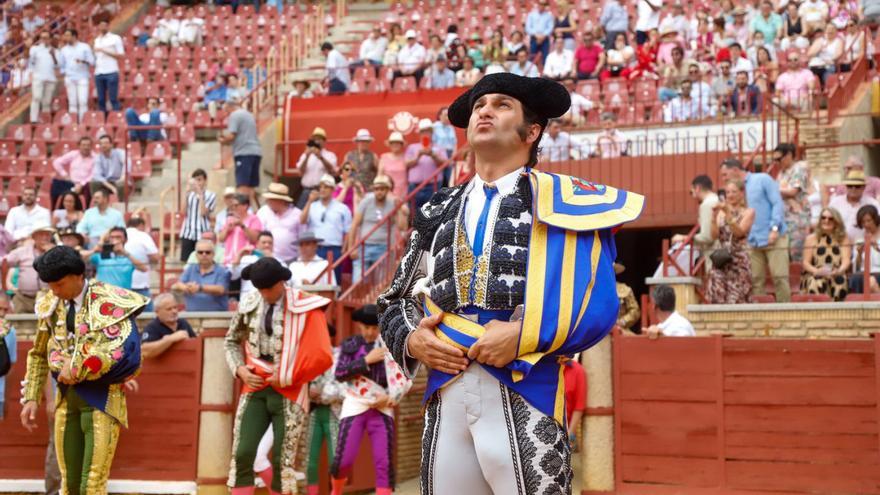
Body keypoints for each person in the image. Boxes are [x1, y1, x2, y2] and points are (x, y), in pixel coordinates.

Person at [378, 73, 644, 493]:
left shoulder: (563, 201)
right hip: (446, 390)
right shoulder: (437, 208)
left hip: (527, 387)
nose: (485, 110)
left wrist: (524, 335)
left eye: (502, 105)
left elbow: (597, 302)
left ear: (532, 131)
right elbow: (394, 301)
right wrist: (413, 340)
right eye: (480, 105)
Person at [20, 246, 147, 494]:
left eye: (59, 284)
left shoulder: (110, 300)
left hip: (102, 398)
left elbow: (124, 350)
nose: (54, 291)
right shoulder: (52, 303)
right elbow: (38, 353)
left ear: (79, 275)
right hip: (66, 400)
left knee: (93, 482)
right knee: (69, 483)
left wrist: (76, 366)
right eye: (50, 286)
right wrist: (31, 397)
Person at [224, 257, 333, 495]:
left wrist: (287, 375)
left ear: (282, 282)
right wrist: (240, 370)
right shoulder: (250, 302)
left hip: (290, 389)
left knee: (282, 462)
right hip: (255, 385)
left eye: (268, 289)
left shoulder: (305, 305)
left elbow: (321, 354)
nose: (264, 294)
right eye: (259, 289)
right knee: (242, 454)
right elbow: (231, 341)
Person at [330, 304, 412, 495]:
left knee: (384, 463)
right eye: (366, 328)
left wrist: (391, 396)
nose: (370, 332)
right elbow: (339, 373)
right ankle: (336, 492)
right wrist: (366, 360)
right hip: (355, 403)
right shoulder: (350, 344)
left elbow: (405, 375)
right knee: (344, 461)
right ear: (360, 326)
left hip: (382, 407)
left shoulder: (391, 346)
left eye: (374, 328)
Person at [719, 158, 790, 302]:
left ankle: (786, 315)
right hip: (752, 241)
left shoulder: (762, 179)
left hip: (772, 237)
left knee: (780, 278)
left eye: (725, 174)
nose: (724, 178)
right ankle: (761, 317)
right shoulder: (735, 191)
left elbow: (777, 203)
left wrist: (774, 228)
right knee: (756, 282)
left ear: (735, 170)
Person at [303, 326, 344, 495]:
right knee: (310, 462)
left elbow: (347, 387)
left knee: (336, 461)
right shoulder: (310, 356)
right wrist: (308, 391)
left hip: (333, 413)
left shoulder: (341, 357)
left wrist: (322, 394)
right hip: (314, 413)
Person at [349, 176, 408, 282]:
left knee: (380, 283)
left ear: (387, 190)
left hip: (384, 248)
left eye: (382, 189)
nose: (379, 192)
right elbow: (354, 225)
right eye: (376, 189)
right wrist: (352, 247)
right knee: (358, 282)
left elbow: (402, 226)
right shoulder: (365, 201)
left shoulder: (393, 202)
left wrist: (399, 209)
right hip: (364, 246)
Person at [706, 179, 755, 304]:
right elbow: (714, 236)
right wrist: (713, 216)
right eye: (728, 192)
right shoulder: (721, 214)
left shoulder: (748, 212)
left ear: (741, 193)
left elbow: (739, 232)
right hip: (722, 258)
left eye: (734, 191)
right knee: (717, 290)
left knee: (737, 297)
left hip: (739, 259)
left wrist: (728, 213)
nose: (730, 195)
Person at [301, 175, 351, 282]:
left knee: (334, 279)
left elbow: (347, 231)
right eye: (321, 187)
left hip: (335, 248)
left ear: (333, 189)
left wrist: (344, 249)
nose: (322, 189)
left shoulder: (342, 208)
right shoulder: (313, 206)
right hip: (316, 248)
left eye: (326, 187)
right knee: (314, 278)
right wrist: (309, 201)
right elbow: (302, 220)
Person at [220, 96, 263, 206]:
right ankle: (253, 211)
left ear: (230, 107)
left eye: (226, 110)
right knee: (251, 186)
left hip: (244, 152)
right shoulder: (249, 115)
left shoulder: (235, 115)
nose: (227, 113)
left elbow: (232, 135)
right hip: (256, 151)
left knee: (242, 185)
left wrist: (223, 140)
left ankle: (242, 212)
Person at [800, 207, 851, 301]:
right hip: (815, 272)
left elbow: (846, 260)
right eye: (823, 218)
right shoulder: (811, 238)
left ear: (836, 221)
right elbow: (805, 263)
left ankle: (838, 314)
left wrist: (839, 271)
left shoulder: (844, 238)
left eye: (830, 218)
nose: (826, 221)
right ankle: (816, 314)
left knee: (840, 282)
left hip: (836, 272)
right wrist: (816, 271)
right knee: (816, 282)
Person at [2, 224, 55, 313]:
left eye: (47, 235)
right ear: (34, 237)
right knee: (20, 325)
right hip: (23, 298)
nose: (45, 237)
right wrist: (4, 285)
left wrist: (51, 254)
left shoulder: (55, 251)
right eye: (41, 234)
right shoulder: (23, 251)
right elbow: (5, 262)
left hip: (47, 297)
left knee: (47, 325)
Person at [774, 143, 811, 262]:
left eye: (779, 159)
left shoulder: (799, 168)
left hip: (797, 220)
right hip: (784, 220)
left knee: (797, 256)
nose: (777, 163)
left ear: (789, 155)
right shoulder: (782, 173)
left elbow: (793, 191)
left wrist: (772, 190)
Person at [673, 175, 719, 266]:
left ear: (697, 188)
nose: (692, 196)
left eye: (691, 192)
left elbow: (707, 236)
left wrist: (684, 238)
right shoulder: (717, 200)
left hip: (716, 256)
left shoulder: (706, 205)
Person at [172, 239, 230, 311]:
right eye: (200, 252)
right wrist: (186, 288)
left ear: (213, 254)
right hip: (191, 316)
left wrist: (199, 288)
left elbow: (220, 289)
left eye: (207, 252)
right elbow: (178, 284)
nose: (204, 254)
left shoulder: (221, 270)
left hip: (216, 317)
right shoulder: (190, 269)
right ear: (196, 255)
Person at [83, 227, 148, 290]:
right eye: (112, 237)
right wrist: (98, 245)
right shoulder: (101, 255)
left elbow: (144, 269)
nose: (115, 239)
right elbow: (82, 259)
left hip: (122, 297)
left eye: (118, 237)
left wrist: (124, 252)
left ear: (125, 240)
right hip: (103, 296)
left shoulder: (129, 256)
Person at [405, 118, 448, 210]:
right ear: (420, 134)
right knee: (414, 213)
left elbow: (446, 164)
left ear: (432, 133)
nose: (426, 134)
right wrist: (418, 156)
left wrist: (433, 155)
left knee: (432, 213)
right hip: (415, 186)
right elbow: (406, 163)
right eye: (423, 132)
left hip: (433, 185)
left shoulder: (439, 148)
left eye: (428, 131)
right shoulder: (412, 147)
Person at [257, 183, 304, 264]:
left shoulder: (297, 214)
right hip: (267, 259)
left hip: (291, 259)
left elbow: (303, 237)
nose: (268, 202)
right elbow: (258, 235)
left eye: (271, 199)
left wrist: (301, 260)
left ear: (281, 201)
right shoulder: (263, 211)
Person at [829, 169, 880, 243]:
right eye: (850, 186)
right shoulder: (835, 202)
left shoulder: (872, 203)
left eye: (857, 186)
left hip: (864, 246)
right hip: (839, 244)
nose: (853, 189)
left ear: (864, 187)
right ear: (846, 186)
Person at [141, 293, 196, 359]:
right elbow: (145, 351)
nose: (174, 311)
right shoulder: (152, 327)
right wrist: (170, 339)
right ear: (157, 312)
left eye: (175, 307)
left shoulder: (183, 323)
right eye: (169, 309)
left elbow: (196, 344)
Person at [179, 168, 217, 262]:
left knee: (203, 260)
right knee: (186, 261)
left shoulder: (211, 195)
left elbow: (203, 212)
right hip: (187, 232)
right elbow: (182, 212)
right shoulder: (189, 194)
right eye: (195, 180)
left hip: (202, 233)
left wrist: (200, 194)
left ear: (205, 180)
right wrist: (185, 193)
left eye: (199, 179)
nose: (197, 182)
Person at [295, 127, 339, 208]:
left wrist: (320, 157)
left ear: (324, 141)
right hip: (307, 191)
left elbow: (332, 171)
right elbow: (300, 172)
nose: (317, 141)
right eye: (315, 139)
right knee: (300, 215)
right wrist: (307, 156)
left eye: (320, 139)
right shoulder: (305, 155)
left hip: (322, 191)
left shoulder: (330, 155)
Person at [59, 28, 94, 121]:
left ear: (74, 36)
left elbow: (92, 61)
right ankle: (73, 122)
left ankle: (83, 121)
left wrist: (83, 61)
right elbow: (61, 64)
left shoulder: (85, 47)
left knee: (82, 101)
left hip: (82, 76)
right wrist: (64, 73)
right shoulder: (63, 50)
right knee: (72, 102)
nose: (66, 38)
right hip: (70, 77)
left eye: (68, 35)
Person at [52, 136, 95, 209]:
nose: (86, 147)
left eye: (88, 145)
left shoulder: (95, 158)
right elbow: (56, 162)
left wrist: (81, 184)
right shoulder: (73, 154)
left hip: (85, 184)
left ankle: (86, 210)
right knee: (55, 183)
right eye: (83, 145)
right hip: (71, 182)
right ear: (79, 146)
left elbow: (93, 175)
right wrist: (65, 175)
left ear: (91, 146)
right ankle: (54, 210)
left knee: (89, 187)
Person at [220, 193, 264, 266]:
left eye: (236, 205)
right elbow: (221, 239)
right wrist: (227, 229)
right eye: (232, 205)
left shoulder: (254, 219)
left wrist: (242, 225)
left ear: (245, 206)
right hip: (229, 260)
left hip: (246, 261)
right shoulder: (230, 219)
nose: (233, 207)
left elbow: (255, 239)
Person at [125, 216, 159, 308]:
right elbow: (155, 257)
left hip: (121, 285)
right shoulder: (143, 236)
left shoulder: (118, 236)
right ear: (141, 225)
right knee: (147, 317)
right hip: (140, 284)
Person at [229, 230, 274, 296]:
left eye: (270, 243)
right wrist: (239, 255)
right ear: (257, 244)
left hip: (269, 299)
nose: (267, 245)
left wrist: (271, 260)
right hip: (248, 299)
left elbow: (287, 282)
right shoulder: (247, 259)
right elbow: (233, 276)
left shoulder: (279, 261)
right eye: (264, 242)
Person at [28, 31, 59, 124]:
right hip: (38, 77)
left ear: (50, 39)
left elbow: (58, 66)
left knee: (47, 102)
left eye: (46, 38)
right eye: (42, 38)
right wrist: (31, 74)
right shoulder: (34, 49)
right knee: (36, 97)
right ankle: (33, 119)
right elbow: (31, 63)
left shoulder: (55, 51)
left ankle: (46, 121)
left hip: (50, 78)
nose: (44, 40)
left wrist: (53, 55)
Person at [93, 20, 124, 112]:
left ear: (108, 26)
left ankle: (116, 117)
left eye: (104, 25)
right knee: (101, 99)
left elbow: (121, 55)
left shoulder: (115, 38)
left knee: (113, 98)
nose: (102, 27)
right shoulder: (97, 40)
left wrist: (104, 50)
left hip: (111, 71)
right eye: (100, 25)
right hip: (99, 72)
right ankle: (103, 119)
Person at [852, 205, 880, 293]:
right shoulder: (859, 239)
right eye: (863, 222)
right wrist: (859, 253)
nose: (866, 224)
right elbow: (856, 266)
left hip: (878, 272)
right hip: (864, 273)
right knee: (857, 278)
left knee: (870, 281)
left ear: (875, 219)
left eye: (869, 220)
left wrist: (877, 248)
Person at [562, 357, 586, 450]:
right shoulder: (544, 367)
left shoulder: (577, 371)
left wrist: (570, 435)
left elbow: (579, 407)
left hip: (564, 430)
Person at [377, 132, 408, 200]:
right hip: (387, 194)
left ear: (401, 145)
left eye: (397, 143)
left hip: (404, 194)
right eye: (393, 143)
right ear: (390, 145)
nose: (395, 145)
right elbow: (379, 177)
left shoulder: (406, 157)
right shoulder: (384, 157)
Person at [615, 263, 641, 332]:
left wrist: (623, 321)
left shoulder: (625, 289)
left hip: (620, 329)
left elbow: (635, 310)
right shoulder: (593, 290)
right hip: (599, 332)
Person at [0, 294, 14, 418]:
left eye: (5, 309)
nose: (2, 313)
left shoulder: (10, 331)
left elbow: (11, 367)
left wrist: (7, 398)